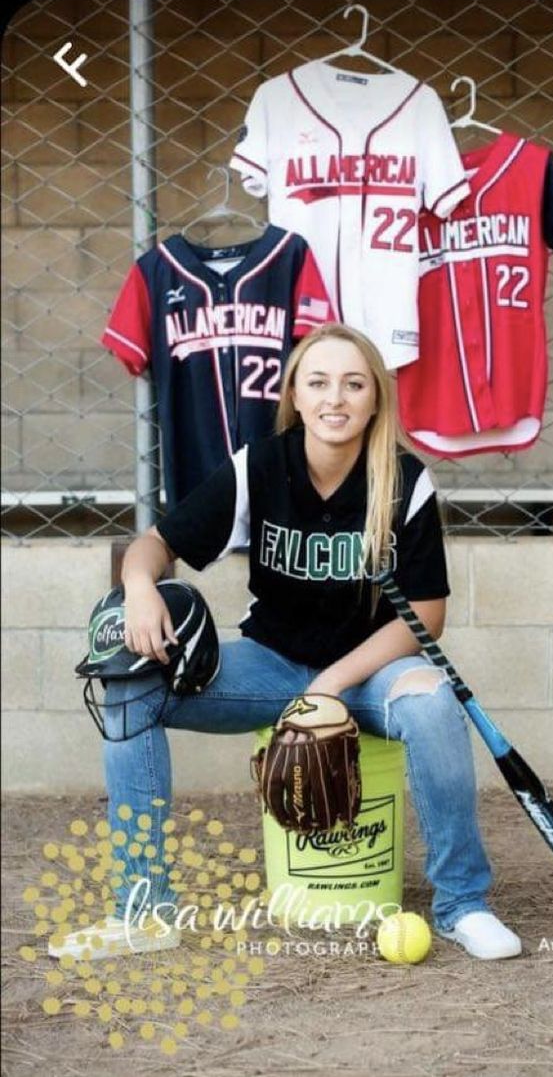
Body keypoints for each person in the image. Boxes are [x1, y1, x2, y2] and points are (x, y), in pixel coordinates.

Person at [52, 322, 521, 962]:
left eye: (354, 384)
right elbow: (158, 544)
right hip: (270, 667)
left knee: (434, 704)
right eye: (319, 382)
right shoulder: (260, 467)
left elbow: (426, 615)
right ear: (295, 396)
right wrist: (139, 584)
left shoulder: (406, 480)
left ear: (376, 398)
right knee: (132, 685)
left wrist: (330, 684)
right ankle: (144, 912)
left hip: (369, 676)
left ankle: (463, 904)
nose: (336, 398)